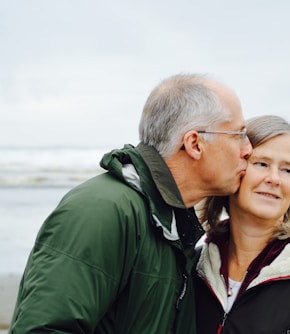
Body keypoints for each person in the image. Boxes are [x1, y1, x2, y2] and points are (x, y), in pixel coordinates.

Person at [9, 73, 252, 334]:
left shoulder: (171, 224)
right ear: (194, 144)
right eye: (238, 134)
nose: (248, 149)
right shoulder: (103, 210)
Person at [194, 115, 290, 333]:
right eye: (262, 164)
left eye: (287, 170)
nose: (274, 178)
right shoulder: (191, 266)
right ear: (235, 170)